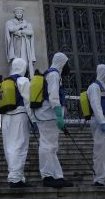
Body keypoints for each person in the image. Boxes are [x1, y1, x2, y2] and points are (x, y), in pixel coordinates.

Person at [33, 52, 73, 188]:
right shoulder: (54, 74)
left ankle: (57, 176)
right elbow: (53, 96)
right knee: (47, 145)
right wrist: (59, 115)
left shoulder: (53, 74)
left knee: (52, 147)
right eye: (67, 63)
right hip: (48, 116)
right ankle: (47, 176)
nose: (68, 66)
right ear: (61, 63)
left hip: (49, 116)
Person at [1, 58, 33, 188]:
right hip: (19, 116)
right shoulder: (23, 80)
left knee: (9, 147)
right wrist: (33, 120)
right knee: (19, 146)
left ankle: (17, 176)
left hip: (6, 118)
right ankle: (15, 178)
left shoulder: (4, 82)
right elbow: (28, 102)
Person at [5, 7, 36, 76]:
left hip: (25, 45)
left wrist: (21, 31)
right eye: (17, 13)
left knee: (26, 63)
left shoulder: (27, 23)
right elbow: (11, 29)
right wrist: (21, 26)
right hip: (16, 45)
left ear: (22, 14)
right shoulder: (10, 22)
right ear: (15, 14)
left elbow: (31, 32)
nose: (19, 14)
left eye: (20, 13)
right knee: (16, 63)